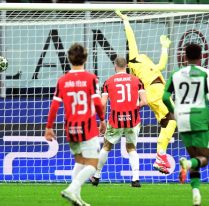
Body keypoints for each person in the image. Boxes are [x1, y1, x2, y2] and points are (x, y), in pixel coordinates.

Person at [163, 43, 209, 206]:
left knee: (195, 157)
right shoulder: (204, 74)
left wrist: (174, 111)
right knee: (203, 158)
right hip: (200, 118)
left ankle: (196, 195)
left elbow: (164, 97)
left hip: (182, 118)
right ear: (201, 57)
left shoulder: (175, 74)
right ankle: (187, 164)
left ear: (184, 57)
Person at [44, 43, 106, 206]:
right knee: (93, 164)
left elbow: (54, 105)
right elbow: (98, 103)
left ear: (69, 59)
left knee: (80, 162)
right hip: (87, 126)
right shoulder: (91, 78)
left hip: (70, 128)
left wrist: (48, 127)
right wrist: (102, 119)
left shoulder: (62, 80)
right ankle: (72, 189)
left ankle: (76, 198)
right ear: (85, 58)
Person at [116, 10, 176, 174]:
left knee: (167, 122)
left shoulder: (148, 64)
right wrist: (126, 21)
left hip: (157, 92)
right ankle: (160, 156)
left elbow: (161, 66)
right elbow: (131, 38)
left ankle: (160, 157)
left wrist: (164, 48)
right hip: (155, 91)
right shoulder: (134, 59)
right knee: (173, 119)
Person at [90, 56, 147, 188]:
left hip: (116, 120)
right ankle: (136, 179)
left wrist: (102, 121)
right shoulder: (137, 81)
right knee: (131, 148)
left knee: (106, 146)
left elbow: (103, 103)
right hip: (133, 120)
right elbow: (145, 101)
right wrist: (133, 107)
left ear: (115, 66)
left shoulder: (108, 82)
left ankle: (97, 176)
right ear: (126, 65)